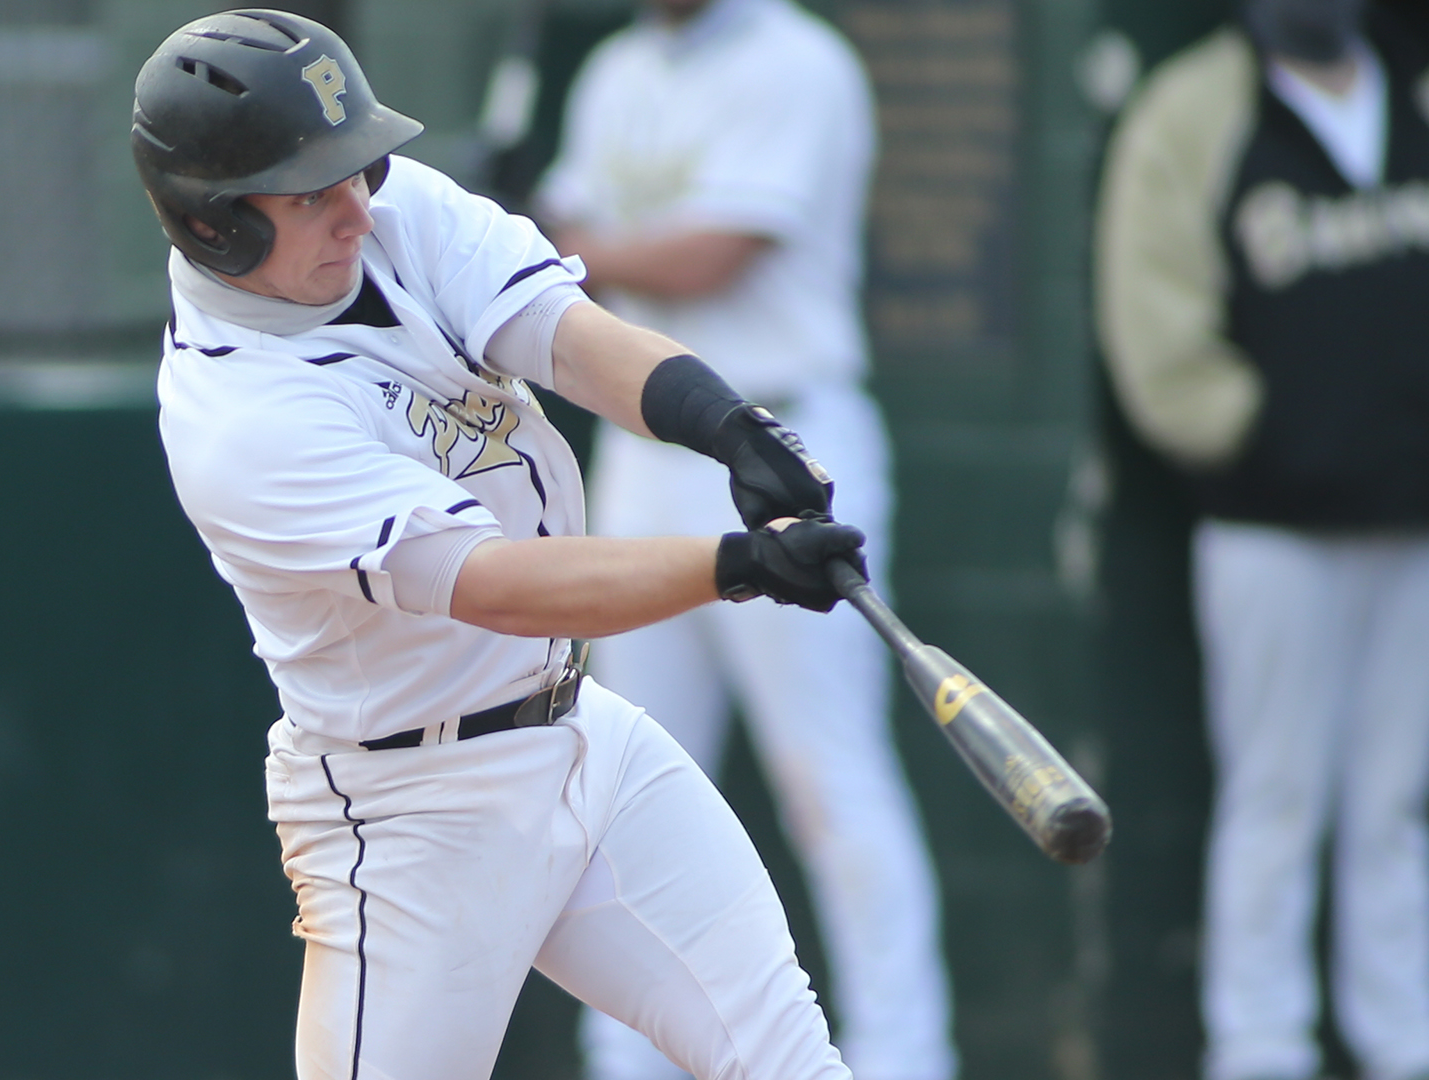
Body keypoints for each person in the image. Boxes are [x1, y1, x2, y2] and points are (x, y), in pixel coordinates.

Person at [135, 10, 878, 1080]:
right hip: (410, 817)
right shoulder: (235, 420)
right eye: (311, 193)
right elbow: (501, 586)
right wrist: (737, 563)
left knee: (790, 1059)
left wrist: (726, 423)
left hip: (584, 741)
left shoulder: (385, 211)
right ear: (217, 228)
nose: (356, 209)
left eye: (360, 171)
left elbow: (567, 342)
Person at [1096, 2, 1429, 1079]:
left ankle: (1407, 1038)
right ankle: (1261, 1045)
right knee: (1276, 794)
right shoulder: (1193, 110)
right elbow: (1152, 322)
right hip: (1272, 527)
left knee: (1396, 798)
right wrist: (1264, 436)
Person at [534, 2, 957, 1079]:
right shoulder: (615, 71)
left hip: (785, 433)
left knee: (827, 779)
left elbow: (712, 253)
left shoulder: (800, 60)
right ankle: (629, 1063)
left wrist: (565, 246)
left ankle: (903, 1057)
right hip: (640, 454)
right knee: (619, 780)